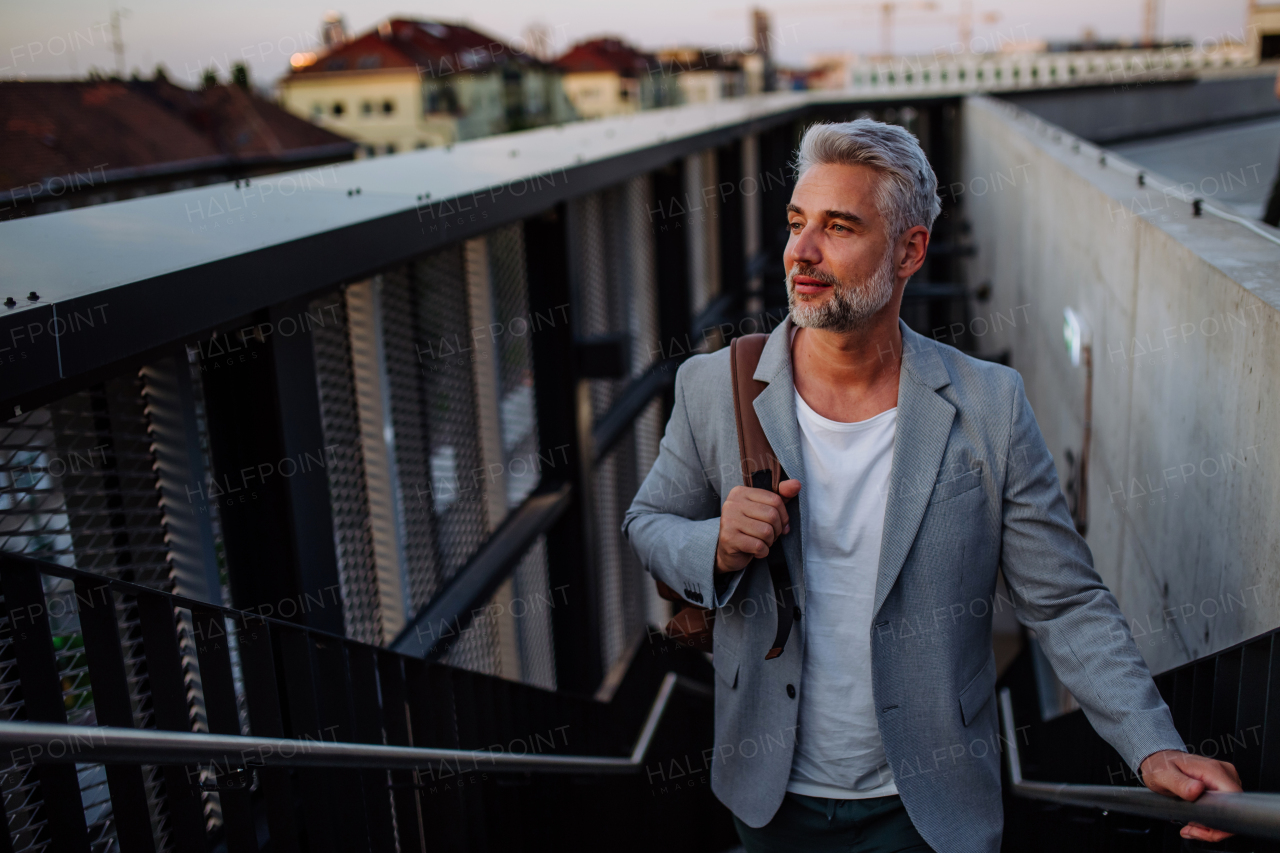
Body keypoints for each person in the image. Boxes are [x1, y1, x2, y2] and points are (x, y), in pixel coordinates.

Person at [621, 119, 1241, 852]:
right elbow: (649, 524)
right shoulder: (711, 387)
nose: (802, 252)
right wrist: (715, 545)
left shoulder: (991, 406)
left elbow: (1066, 602)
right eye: (796, 223)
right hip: (769, 799)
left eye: (839, 227)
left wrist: (1152, 746)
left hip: (929, 809)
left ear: (910, 249)